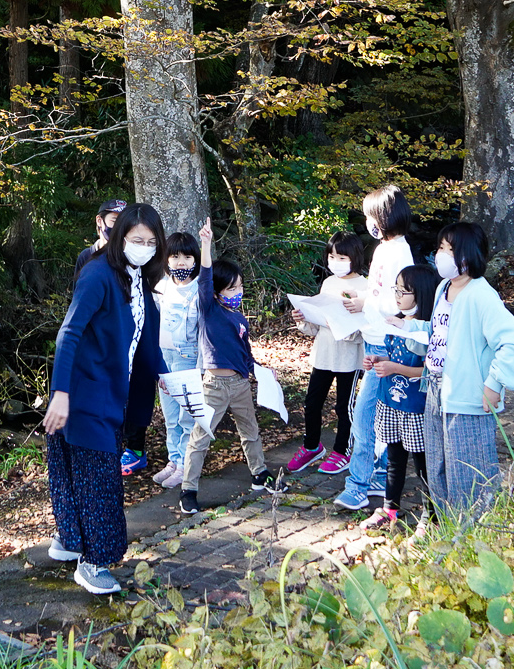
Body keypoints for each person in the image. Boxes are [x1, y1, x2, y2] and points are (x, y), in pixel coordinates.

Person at [45, 203, 163, 595]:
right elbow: (69, 333)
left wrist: (167, 376)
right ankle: (93, 563)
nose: (143, 247)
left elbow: (142, 335)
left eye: (150, 241)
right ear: (118, 238)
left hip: (112, 388)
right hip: (82, 390)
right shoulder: (98, 273)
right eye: (135, 240)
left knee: (75, 468)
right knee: (99, 479)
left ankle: (72, 539)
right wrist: (61, 394)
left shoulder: (139, 277)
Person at [421, 222, 514, 514]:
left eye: (449, 250)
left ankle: (477, 537)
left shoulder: (481, 295)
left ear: (468, 256)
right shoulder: (443, 288)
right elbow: (441, 333)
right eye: (440, 248)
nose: (441, 255)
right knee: (438, 468)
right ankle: (449, 536)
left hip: (468, 398)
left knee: (469, 475)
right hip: (435, 389)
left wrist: (494, 383)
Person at [333, 185, 421, 513]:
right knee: (379, 414)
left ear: (383, 217)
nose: (368, 221)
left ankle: (357, 486)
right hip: (376, 339)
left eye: (371, 215)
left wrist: (363, 302)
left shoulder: (397, 252)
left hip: (385, 343)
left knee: (365, 416)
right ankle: (377, 474)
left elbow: (398, 299)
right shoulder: (386, 248)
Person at [177, 259, 270, 514]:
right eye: (231, 288)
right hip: (214, 386)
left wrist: (259, 369)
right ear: (217, 292)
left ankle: (259, 474)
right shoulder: (209, 309)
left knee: (250, 430)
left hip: (240, 383)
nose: (237, 293)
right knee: (200, 438)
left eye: (239, 287)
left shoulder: (240, 318)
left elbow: (245, 352)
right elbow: (205, 279)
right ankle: (188, 490)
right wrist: (206, 246)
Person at [360, 263, 441, 531]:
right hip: (391, 402)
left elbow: (427, 370)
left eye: (404, 291)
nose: (397, 295)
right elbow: (393, 356)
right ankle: (389, 508)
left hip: (415, 406)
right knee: (394, 458)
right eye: (395, 288)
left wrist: (395, 368)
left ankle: (432, 516)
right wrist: (377, 360)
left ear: (421, 293)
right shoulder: (396, 320)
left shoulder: (428, 330)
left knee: (423, 463)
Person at [286, 232, 367, 475]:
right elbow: (317, 325)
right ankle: (311, 446)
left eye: (341, 257)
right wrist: (303, 318)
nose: (335, 261)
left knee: (345, 407)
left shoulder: (365, 287)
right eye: (332, 256)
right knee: (312, 402)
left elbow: (367, 328)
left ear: (354, 257)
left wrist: (342, 326)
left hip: (350, 358)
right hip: (323, 354)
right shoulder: (329, 283)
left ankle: (343, 451)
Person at [148, 219, 214, 488]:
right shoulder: (161, 287)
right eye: (175, 257)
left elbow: (203, 328)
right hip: (164, 358)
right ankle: (173, 460)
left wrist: (201, 367)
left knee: (188, 416)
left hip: (189, 358)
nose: (181, 263)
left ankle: (186, 466)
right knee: (171, 416)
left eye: (187, 257)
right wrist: (155, 364)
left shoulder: (199, 289)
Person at [73, 199, 127, 274]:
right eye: (114, 221)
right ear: (99, 221)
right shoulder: (86, 256)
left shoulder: (129, 256)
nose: (119, 227)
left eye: (124, 223)